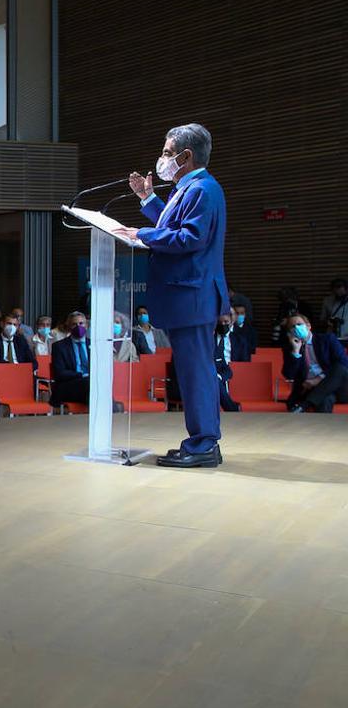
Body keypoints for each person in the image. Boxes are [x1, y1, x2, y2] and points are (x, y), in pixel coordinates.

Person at [115, 123, 228, 468]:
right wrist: (148, 200)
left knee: (197, 372)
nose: (162, 159)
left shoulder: (202, 190)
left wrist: (142, 233)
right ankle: (199, 440)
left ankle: (205, 443)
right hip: (188, 296)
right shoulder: (189, 187)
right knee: (193, 370)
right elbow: (172, 225)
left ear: (186, 156)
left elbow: (189, 238)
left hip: (192, 296)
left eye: (166, 152)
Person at [281, 314, 348, 413]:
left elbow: (344, 363)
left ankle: (304, 405)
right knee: (325, 400)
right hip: (311, 390)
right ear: (290, 332)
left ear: (308, 326)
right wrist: (296, 352)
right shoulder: (289, 348)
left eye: (299, 324)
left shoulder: (327, 339)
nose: (296, 328)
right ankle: (321, 428)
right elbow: (288, 374)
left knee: (340, 368)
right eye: (293, 326)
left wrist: (318, 379)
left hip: (338, 388)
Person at [50, 313, 92, 409]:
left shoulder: (94, 344)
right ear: (68, 327)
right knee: (92, 387)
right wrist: (81, 375)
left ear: (87, 325)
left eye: (81, 323)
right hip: (68, 385)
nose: (78, 327)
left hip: (89, 386)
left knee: (97, 387)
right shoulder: (59, 346)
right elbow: (59, 373)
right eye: (74, 324)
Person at [213, 313, 239, 412]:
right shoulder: (208, 343)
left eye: (225, 322)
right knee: (214, 381)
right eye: (220, 322)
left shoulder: (238, 339)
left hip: (221, 377)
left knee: (215, 380)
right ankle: (233, 410)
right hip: (199, 381)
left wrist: (219, 376)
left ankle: (232, 410)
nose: (222, 325)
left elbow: (229, 370)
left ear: (231, 322)